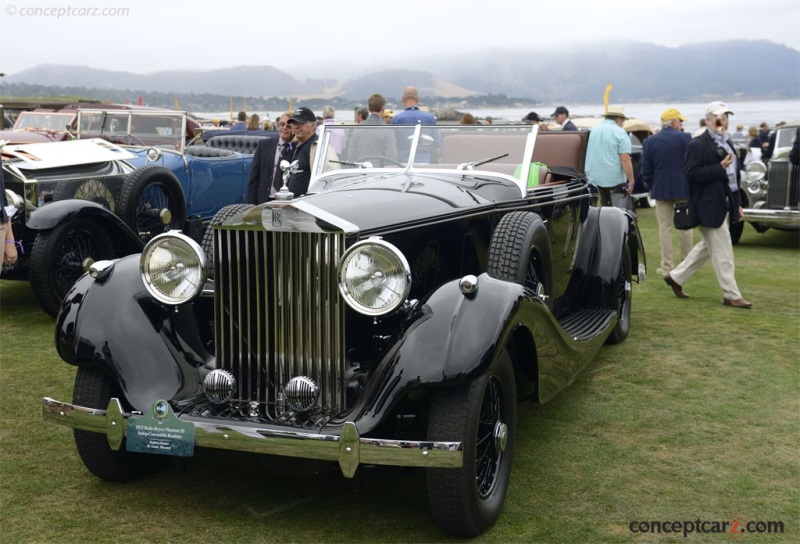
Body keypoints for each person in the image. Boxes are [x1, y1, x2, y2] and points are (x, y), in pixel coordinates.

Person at [663, 101, 751, 309]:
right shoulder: (697, 144)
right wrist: (719, 167)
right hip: (707, 205)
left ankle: (675, 277)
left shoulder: (727, 143)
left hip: (724, 204)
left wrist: (737, 203)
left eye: (727, 117)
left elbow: (733, 179)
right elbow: (692, 175)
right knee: (723, 251)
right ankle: (731, 294)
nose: (725, 121)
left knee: (706, 247)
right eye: (722, 117)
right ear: (710, 119)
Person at [642, 108, 693, 275]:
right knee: (685, 227)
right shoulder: (685, 138)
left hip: (661, 188)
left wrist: (652, 185)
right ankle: (686, 263)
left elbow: (646, 169)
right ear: (674, 122)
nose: (681, 124)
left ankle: (667, 265)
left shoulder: (650, 141)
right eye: (680, 121)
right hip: (682, 188)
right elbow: (692, 163)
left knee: (665, 227)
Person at [584, 105, 635, 206]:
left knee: (596, 211)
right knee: (616, 212)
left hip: (593, 178)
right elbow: (625, 158)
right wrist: (631, 180)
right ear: (618, 119)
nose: (622, 124)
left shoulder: (592, 130)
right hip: (615, 180)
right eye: (623, 121)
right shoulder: (620, 132)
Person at [246, 112, 294, 204]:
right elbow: (253, 178)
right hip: (264, 200)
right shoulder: (264, 145)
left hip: (286, 202)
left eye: (289, 126)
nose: (284, 128)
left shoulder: (297, 149)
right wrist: (250, 205)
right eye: (282, 124)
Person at [347, 93, 397, 165]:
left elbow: (351, 157)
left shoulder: (357, 128)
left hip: (360, 171)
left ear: (369, 109)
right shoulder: (387, 130)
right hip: (379, 173)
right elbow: (391, 158)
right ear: (383, 109)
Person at [391, 86, 437, 162]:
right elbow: (436, 142)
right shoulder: (430, 118)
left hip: (403, 162)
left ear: (403, 99)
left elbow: (392, 143)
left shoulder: (396, 119)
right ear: (417, 99)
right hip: (425, 162)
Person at [285, 107, 319, 197]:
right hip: (295, 206)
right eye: (294, 124)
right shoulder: (299, 145)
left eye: (300, 123)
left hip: (307, 207)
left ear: (312, 125)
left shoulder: (316, 146)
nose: (296, 127)